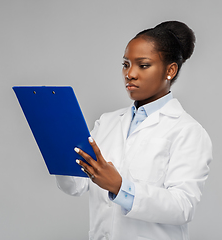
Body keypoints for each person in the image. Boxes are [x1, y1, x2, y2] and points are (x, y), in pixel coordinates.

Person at [56, 21, 212, 240]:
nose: (130, 74)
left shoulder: (188, 131)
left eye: (143, 65)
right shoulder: (107, 122)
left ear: (170, 70)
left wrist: (121, 188)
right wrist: (57, 150)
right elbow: (76, 186)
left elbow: (183, 206)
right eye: (126, 64)